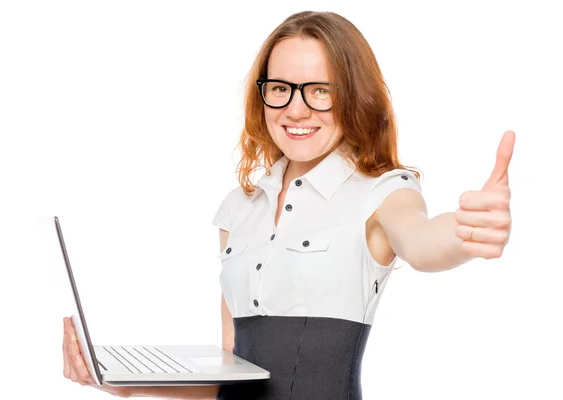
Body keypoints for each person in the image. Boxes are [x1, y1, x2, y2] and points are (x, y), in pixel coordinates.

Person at [62, 10, 514, 400]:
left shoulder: (381, 192)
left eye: (320, 90)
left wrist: (465, 232)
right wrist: (123, 382)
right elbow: (232, 379)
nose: (296, 110)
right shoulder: (239, 208)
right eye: (280, 88)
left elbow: (420, 239)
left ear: (355, 96)